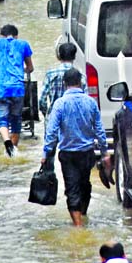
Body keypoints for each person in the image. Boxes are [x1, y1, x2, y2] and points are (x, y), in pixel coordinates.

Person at [41, 68, 110, 226]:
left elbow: (51, 132)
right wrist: (105, 153)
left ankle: (78, 225)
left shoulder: (60, 104)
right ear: (80, 82)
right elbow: (99, 130)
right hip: (87, 153)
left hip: (68, 154)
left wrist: (46, 153)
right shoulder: (90, 102)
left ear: (65, 84)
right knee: (85, 185)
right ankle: (82, 216)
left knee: (72, 188)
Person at [0, 24, 33, 157]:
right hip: (17, 88)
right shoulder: (23, 44)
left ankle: (6, 141)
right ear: (16, 35)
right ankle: (13, 152)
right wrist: (23, 71)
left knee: (2, 119)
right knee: (16, 119)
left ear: (2, 35)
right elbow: (30, 67)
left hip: (0, 88)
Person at [39, 42, 81, 119]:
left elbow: (42, 100)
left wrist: (47, 113)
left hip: (54, 117)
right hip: (74, 118)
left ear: (59, 56)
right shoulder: (81, 75)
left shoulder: (50, 74)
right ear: (74, 56)